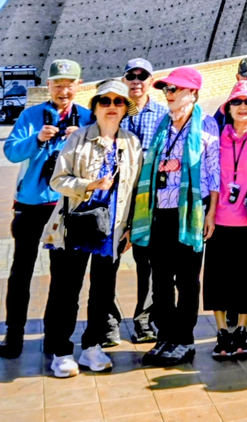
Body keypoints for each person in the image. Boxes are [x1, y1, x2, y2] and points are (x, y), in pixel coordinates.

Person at [41, 80, 143, 377]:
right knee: (66, 290)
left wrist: (131, 229)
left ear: (126, 108)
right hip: (76, 224)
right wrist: (90, 184)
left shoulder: (131, 143)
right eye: (105, 101)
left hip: (112, 229)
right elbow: (58, 180)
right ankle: (61, 350)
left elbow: (137, 189)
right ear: (96, 106)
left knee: (103, 292)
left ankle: (92, 347)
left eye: (118, 102)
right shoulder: (79, 139)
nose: (112, 107)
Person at [0, 59, 92, 359]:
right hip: (31, 204)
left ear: (78, 86)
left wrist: (81, 138)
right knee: (20, 272)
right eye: (57, 85)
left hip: (66, 205)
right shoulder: (31, 115)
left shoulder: (88, 117)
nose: (63, 91)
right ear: (48, 87)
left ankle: (54, 339)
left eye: (69, 85)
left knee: (62, 276)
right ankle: (14, 336)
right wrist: (37, 138)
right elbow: (12, 152)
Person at [131, 67, 220, 367]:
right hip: (160, 212)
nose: (169, 95)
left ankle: (185, 339)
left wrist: (213, 212)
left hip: (190, 213)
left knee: (187, 279)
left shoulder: (207, 126)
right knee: (161, 279)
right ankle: (165, 336)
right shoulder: (161, 124)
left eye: (175, 89)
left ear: (193, 93)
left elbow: (213, 172)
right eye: (167, 90)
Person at [205, 80, 247, 361]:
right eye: (237, 102)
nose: (243, 107)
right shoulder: (216, 136)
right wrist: (208, 214)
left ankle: (241, 330)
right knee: (217, 276)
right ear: (228, 108)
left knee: (246, 276)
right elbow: (210, 177)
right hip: (218, 218)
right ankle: (221, 332)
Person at [120, 58, 169, 345]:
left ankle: (145, 318)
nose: (137, 81)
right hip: (115, 198)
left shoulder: (163, 114)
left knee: (147, 261)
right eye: (131, 76)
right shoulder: (114, 110)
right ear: (125, 80)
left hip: (147, 200)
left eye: (142, 76)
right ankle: (108, 321)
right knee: (107, 261)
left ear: (151, 80)